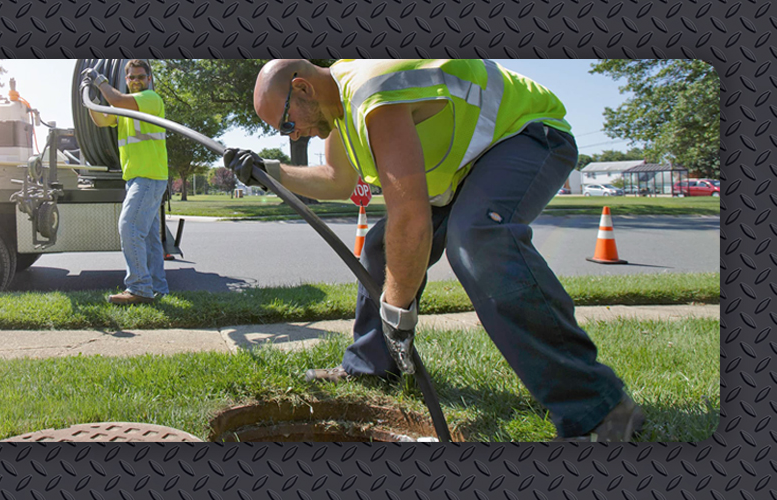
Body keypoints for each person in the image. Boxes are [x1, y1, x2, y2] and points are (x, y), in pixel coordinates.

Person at [224, 59, 644, 442]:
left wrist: (398, 309)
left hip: (527, 134)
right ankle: (372, 366)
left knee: (478, 237)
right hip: (466, 167)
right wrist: (268, 171)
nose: (290, 133)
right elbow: (335, 180)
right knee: (380, 247)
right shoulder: (340, 113)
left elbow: (411, 217)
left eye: (285, 124)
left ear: (302, 88)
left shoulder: (372, 89)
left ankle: (599, 407)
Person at [81, 60, 169, 305]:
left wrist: (99, 81)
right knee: (149, 238)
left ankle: (139, 288)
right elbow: (101, 120)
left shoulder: (150, 99)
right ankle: (158, 289)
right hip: (137, 178)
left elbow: (117, 100)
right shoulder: (125, 108)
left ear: (149, 79)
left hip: (148, 176)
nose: (137, 81)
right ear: (127, 79)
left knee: (129, 226)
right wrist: (89, 97)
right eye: (132, 78)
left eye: (141, 76)